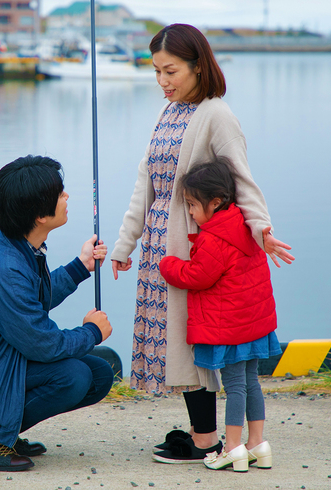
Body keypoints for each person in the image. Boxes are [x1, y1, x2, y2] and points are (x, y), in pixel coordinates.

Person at [108, 23, 294, 464]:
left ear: (197, 65)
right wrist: (125, 243)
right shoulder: (167, 113)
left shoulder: (216, 115)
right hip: (159, 247)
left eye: (170, 70)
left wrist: (261, 230)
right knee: (177, 342)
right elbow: (146, 184)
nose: (163, 81)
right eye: (156, 72)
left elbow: (241, 180)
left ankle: (207, 439)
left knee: (193, 342)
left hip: (193, 249)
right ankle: (204, 432)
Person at [0, 155, 114, 472]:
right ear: (40, 215)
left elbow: (31, 302)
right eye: (60, 194)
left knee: (99, 375)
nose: (67, 197)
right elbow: (43, 344)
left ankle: (2, 430)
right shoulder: (5, 267)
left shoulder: (19, 241)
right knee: (75, 377)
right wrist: (91, 332)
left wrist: (80, 267)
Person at [159, 160, 279, 472]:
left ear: (214, 203)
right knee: (251, 381)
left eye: (192, 205)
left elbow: (198, 276)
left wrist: (168, 264)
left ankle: (233, 447)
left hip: (230, 328)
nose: (189, 213)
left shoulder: (213, 239)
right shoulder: (243, 223)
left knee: (235, 385)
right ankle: (257, 443)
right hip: (255, 322)